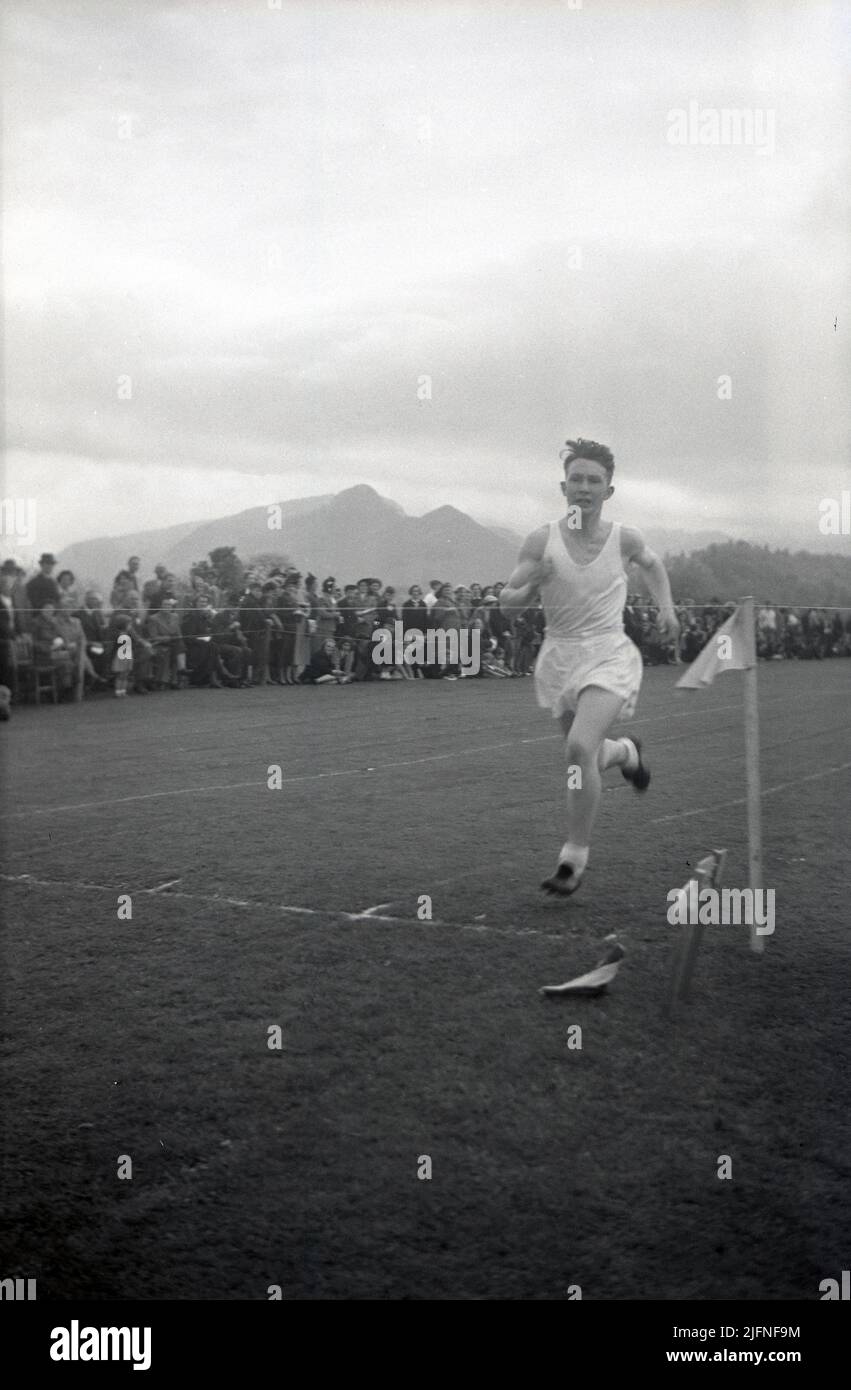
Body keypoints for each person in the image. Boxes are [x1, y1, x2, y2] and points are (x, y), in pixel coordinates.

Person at [500, 437, 679, 897]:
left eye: (593, 480)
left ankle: (572, 860)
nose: (584, 488)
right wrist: (531, 586)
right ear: (563, 487)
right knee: (591, 755)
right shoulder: (542, 541)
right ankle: (625, 754)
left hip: (608, 654)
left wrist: (667, 608)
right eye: (576, 479)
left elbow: (653, 565)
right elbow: (507, 605)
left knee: (579, 748)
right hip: (559, 658)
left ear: (608, 491)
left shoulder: (625, 538)